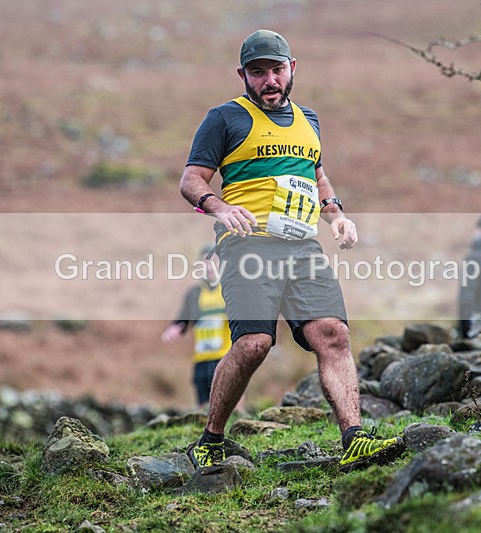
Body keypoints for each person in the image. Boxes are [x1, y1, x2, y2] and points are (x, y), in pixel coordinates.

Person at [179, 29, 405, 471]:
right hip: (248, 247)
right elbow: (191, 180)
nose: (269, 80)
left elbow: (316, 176)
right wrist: (218, 207)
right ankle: (210, 440)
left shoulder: (309, 120)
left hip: (302, 248)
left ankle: (354, 438)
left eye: (277, 70)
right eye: (258, 72)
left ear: (292, 68)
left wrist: (337, 215)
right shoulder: (224, 118)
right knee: (254, 344)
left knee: (333, 334)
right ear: (242, 75)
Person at [161, 245, 234, 409]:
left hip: (226, 357)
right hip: (201, 359)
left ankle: (238, 421)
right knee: (203, 407)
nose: (209, 267)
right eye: (204, 263)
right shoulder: (194, 294)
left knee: (230, 401)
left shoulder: (229, 289)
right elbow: (182, 321)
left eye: (213, 262)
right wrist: (174, 329)